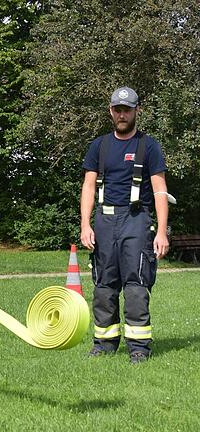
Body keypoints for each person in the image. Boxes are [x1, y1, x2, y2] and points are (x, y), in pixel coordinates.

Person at [80, 86, 169, 364]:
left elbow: (159, 190)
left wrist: (162, 231)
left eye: (127, 109)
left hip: (136, 220)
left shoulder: (149, 146)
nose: (122, 114)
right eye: (117, 109)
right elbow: (88, 187)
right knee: (104, 284)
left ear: (136, 111)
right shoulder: (100, 146)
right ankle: (104, 343)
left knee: (136, 283)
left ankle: (139, 347)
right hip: (104, 221)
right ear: (110, 111)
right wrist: (85, 224)